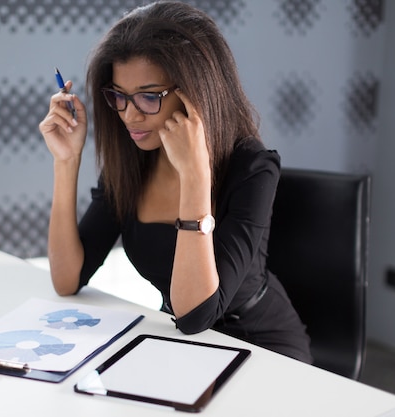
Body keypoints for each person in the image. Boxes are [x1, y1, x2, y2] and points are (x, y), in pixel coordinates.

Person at [39, 1, 312, 363]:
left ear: (195, 92)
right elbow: (67, 279)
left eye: (149, 97)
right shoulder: (132, 164)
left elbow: (196, 314)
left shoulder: (252, 166)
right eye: (119, 96)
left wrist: (195, 174)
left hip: (260, 347)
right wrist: (66, 160)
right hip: (180, 343)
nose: (129, 115)